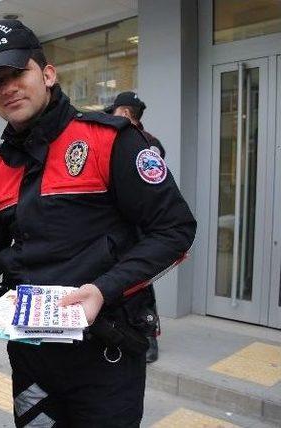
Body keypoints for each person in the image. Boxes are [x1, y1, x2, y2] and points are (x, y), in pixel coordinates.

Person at [0, 19, 196, 427]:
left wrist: (104, 290)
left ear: (48, 74)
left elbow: (175, 231)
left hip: (107, 354)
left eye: (18, 72)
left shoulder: (110, 140)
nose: (9, 86)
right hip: (32, 361)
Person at [106, 91, 163, 363]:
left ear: (126, 114)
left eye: (115, 112)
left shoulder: (146, 144)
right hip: (119, 223)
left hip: (138, 225)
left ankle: (149, 333)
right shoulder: (121, 139)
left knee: (141, 280)